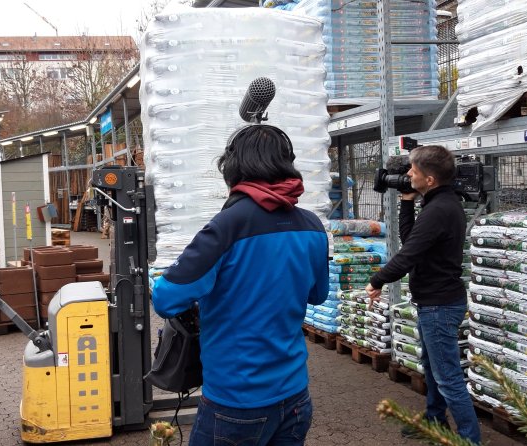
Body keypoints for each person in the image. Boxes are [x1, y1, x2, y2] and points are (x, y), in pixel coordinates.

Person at [152, 124, 330, 446]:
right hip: (295, 396)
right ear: (288, 164)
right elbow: (318, 295)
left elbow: (166, 299)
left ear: (232, 169)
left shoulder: (227, 226)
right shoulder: (313, 226)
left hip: (235, 403)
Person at [364, 145, 480, 444]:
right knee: (432, 368)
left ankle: (470, 439)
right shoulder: (440, 202)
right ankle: (434, 420)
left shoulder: (439, 209)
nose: (408, 174)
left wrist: (378, 280)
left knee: (448, 378)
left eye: (413, 170)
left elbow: (408, 255)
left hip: (439, 305)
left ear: (429, 179)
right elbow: (411, 239)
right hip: (436, 302)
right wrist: (406, 201)